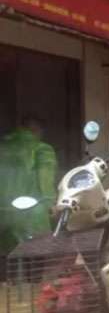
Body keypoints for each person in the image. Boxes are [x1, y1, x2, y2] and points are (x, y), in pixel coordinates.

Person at [0, 116, 57, 273]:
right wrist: (52, 204)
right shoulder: (42, 150)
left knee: (6, 265)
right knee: (34, 265)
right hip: (31, 217)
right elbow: (45, 182)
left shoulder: (2, 148)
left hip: (3, 217)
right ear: (38, 130)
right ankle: (32, 290)